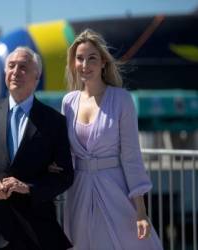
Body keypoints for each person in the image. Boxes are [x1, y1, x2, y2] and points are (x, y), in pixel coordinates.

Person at [0, 47, 74, 250]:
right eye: (11, 66)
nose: (15, 72)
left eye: (23, 67)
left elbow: (65, 175)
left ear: (37, 76)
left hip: (38, 233)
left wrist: (29, 188)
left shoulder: (54, 121)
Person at [61, 29, 163, 249]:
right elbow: (63, 153)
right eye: (79, 58)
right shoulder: (68, 102)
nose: (85, 64)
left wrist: (141, 211)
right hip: (78, 193)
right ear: (73, 63)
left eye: (92, 58)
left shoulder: (122, 99)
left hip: (115, 190)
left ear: (104, 63)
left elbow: (131, 156)